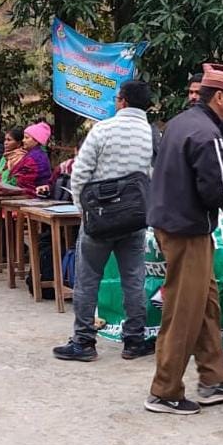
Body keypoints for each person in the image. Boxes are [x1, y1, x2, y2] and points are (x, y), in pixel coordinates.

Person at [146, 63, 223, 415]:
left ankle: (212, 379)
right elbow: (214, 189)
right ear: (220, 96)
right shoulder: (207, 134)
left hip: (174, 224)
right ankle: (164, 391)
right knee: (184, 310)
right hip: (187, 231)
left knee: (207, 303)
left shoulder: (180, 123)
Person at [53, 80, 154, 362]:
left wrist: (82, 210)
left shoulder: (102, 130)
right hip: (135, 220)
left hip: (98, 219)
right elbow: (156, 177)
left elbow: (80, 173)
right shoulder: (153, 135)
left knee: (88, 280)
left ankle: (84, 342)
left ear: (122, 101)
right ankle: (134, 340)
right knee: (134, 279)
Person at [6, 122, 52, 197]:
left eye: (27, 138)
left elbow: (22, 181)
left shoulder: (35, 158)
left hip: (31, 196)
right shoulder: (34, 154)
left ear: (36, 140)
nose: (23, 140)